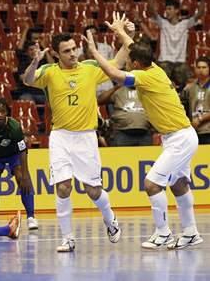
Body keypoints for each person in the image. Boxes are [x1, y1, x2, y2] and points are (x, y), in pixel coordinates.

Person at [85, 13, 203, 250]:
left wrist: (94, 52)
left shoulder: (144, 77)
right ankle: (190, 233)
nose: (127, 60)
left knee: (151, 184)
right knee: (179, 184)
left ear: (136, 65)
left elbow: (114, 74)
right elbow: (133, 48)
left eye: (129, 60)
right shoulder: (154, 68)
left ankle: (163, 233)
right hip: (180, 135)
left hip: (180, 137)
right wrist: (121, 32)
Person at [22, 15, 132, 252]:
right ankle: (68, 238)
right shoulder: (50, 71)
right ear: (57, 53)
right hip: (61, 136)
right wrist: (34, 62)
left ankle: (110, 218)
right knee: (63, 187)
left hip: (85, 137)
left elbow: (117, 65)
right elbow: (28, 80)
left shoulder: (90, 68)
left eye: (74, 49)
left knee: (93, 191)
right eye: (67, 51)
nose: (73, 54)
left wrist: (126, 38)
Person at [0, 98, 38, 230]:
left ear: (7, 113)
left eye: (2, 111)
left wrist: (26, 175)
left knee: (22, 180)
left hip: (14, 155)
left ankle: (31, 217)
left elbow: (22, 151)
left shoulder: (15, 127)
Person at [148, 0, 204, 91]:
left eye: (169, 9)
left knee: (190, 80)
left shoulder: (185, 24)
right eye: (166, 9)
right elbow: (151, 10)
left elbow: (200, 13)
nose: (167, 11)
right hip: (164, 62)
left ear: (177, 10)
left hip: (180, 63)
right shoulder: (163, 23)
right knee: (159, 78)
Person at [182, 56, 210, 144]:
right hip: (192, 131)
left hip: (208, 131)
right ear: (195, 69)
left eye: (204, 67)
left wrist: (200, 119)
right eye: (198, 67)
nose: (201, 70)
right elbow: (182, 106)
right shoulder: (189, 87)